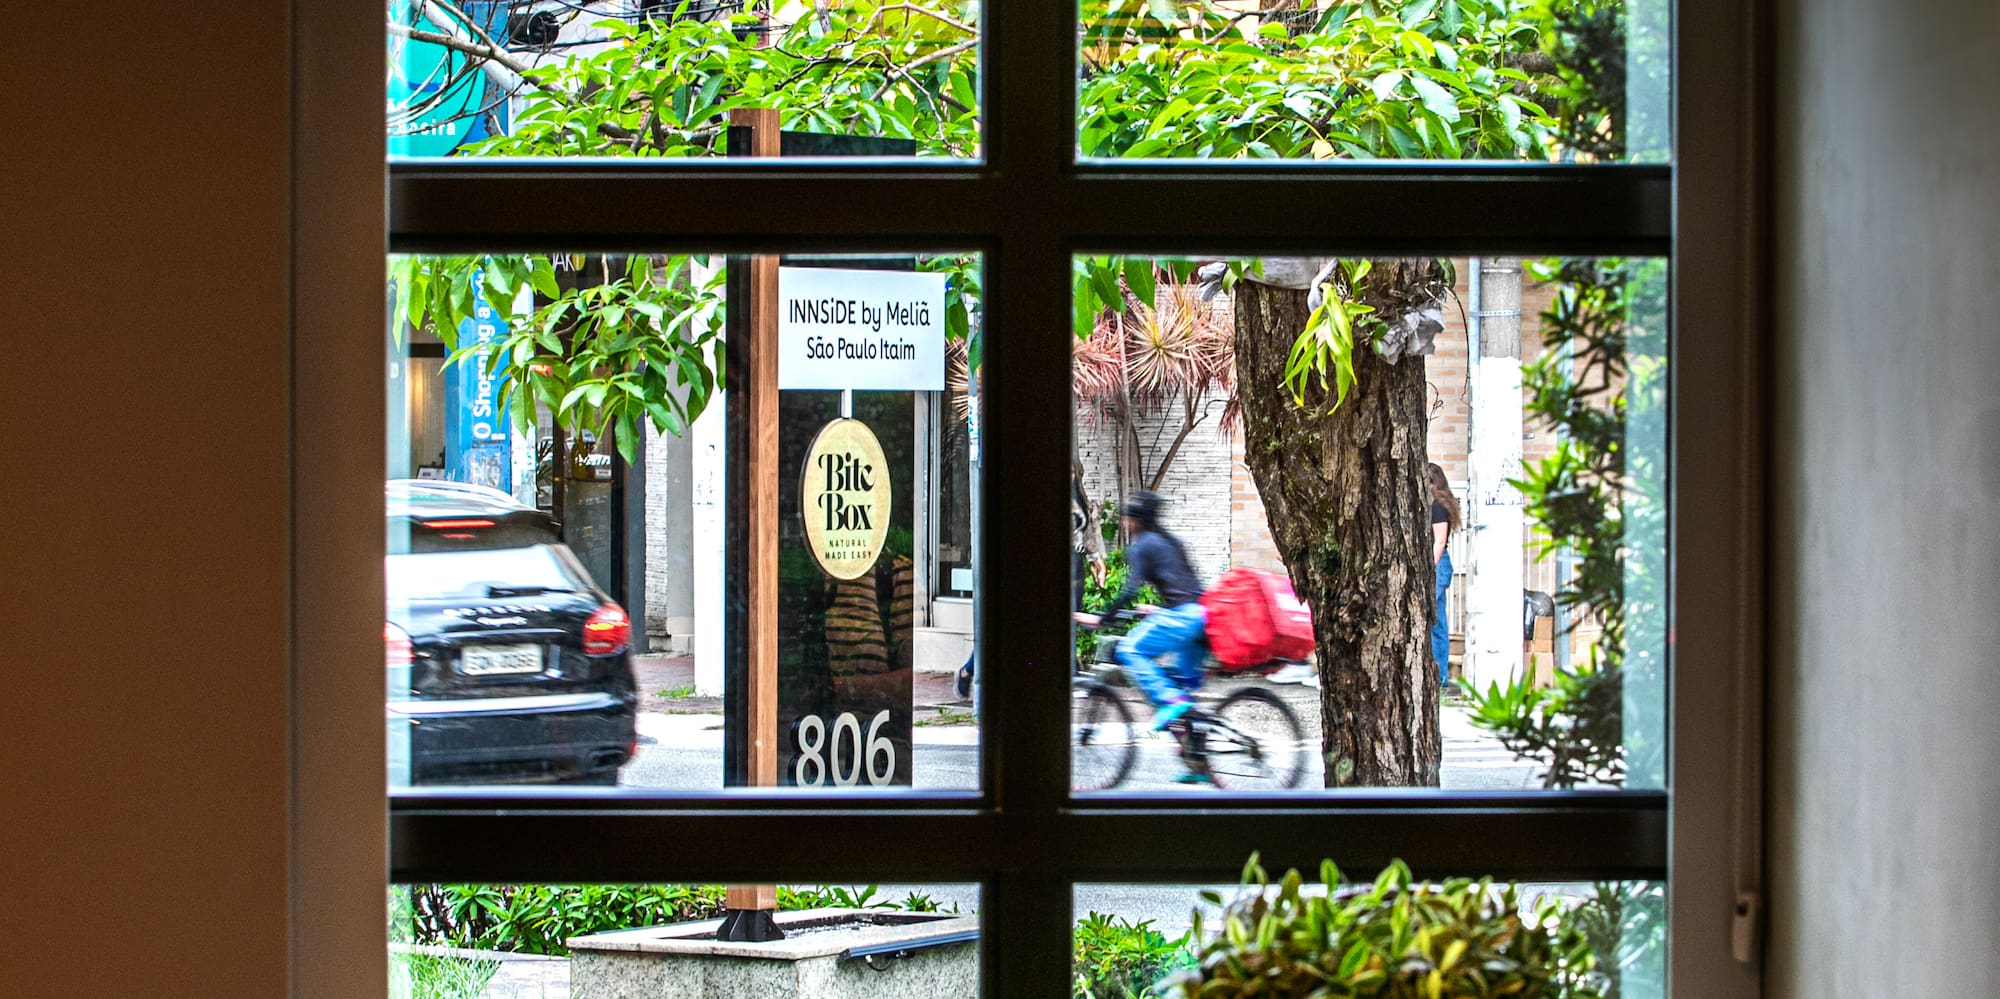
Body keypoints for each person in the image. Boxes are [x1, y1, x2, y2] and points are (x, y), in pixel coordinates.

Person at [1074, 491, 1207, 735]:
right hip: (1201, 617)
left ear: (1137, 521)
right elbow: (1188, 587)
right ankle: (1197, 762)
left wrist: (1103, 618)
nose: (1125, 523)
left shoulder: (1144, 544)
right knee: (1184, 692)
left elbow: (1129, 591)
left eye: (1128, 518)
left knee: (1129, 650)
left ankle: (1170, 700)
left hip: (1182, 619)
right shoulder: (1171, 542)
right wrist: (1158, 609)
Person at [1427, 463, 1462, 689]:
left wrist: (1428, 567)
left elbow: (1439, 541)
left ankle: (1439, 677)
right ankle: (1438, 676)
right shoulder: (1437, 504)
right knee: (1436, 620)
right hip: (1439, 564)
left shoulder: (1438, 507)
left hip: (1437, 565)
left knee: (1435, 620)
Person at [1072, 457, 1108, 611]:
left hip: (1076, 561)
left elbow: (1086, 533)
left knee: (1074, 611)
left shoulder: (1076, 499)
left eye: (1072, 472)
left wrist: (1097, 561)